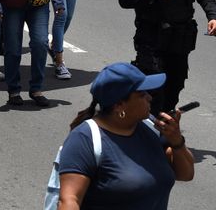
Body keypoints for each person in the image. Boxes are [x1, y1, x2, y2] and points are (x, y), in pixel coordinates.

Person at [57, 62, 194, 209]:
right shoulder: (85, 139)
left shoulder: (150, 127)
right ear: (119, 105)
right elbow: (69, 200)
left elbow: (186, 174)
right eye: (142, 94)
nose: (149, 97)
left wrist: (177, 141)